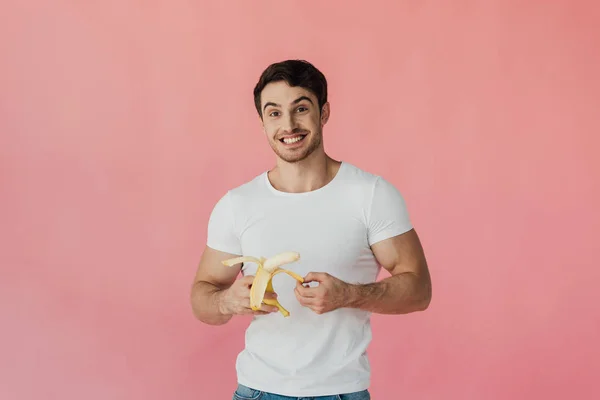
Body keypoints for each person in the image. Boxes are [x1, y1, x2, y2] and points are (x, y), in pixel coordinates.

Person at [190, 59, 432, 400]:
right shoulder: (237, 204)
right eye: (274, 113)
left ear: (324, 112)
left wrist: (350, 295)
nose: (288, 125)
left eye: (300, 108)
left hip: (342, 392)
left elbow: (419, 290)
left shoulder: (372, 195)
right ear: (262, 122)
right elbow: (202, 297)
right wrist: (227, 301)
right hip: (258, 391)